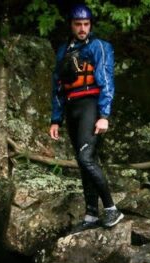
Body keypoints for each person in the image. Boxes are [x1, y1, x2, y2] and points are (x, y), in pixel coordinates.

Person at [48, 4, 124, 231]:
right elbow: (58, 86)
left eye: (86, 24)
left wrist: (104, 115)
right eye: (78, 24)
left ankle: (111, 209)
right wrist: (55, 119)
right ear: (71, 25)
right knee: (83, 164)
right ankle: (91, 215)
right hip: (72, 109)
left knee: (86, 158)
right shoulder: (63, 50)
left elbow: (106, 79)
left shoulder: (99, 46)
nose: (82, 28)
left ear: (90, 25)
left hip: (91, 106)